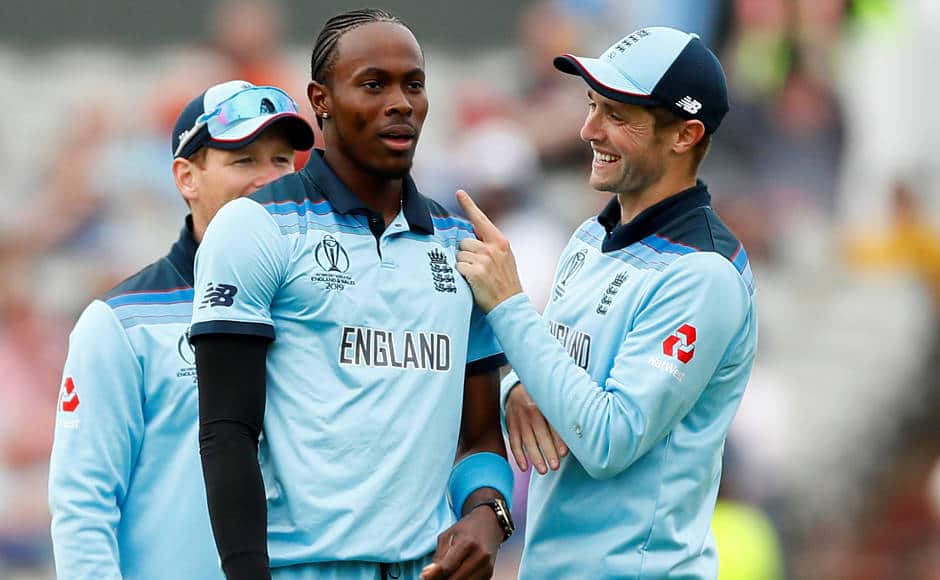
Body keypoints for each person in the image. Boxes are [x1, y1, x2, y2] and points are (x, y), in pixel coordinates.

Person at [190, 9, 514, 580]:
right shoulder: (255, 226)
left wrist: (488, 512)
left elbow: (480, 433)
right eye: (374, 84)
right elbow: (226, 430)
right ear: (322, 99)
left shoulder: (461, 242)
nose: (401, 103)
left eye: (413, 84)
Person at [455, 27, 758, 579]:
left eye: (618, 116)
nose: (587, 129)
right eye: (593, 106)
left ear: (685, 135)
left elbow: (608, 439)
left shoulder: (704, 275)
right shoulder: (591, 238)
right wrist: (517, 387)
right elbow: (557, 378)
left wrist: (508, 304)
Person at [48, 79, 315, 579]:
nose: (269, 179)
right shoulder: (122, 325)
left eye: (281, 161)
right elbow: (83, 506)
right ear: (186, 177)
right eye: (244, 161)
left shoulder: (319, 307)